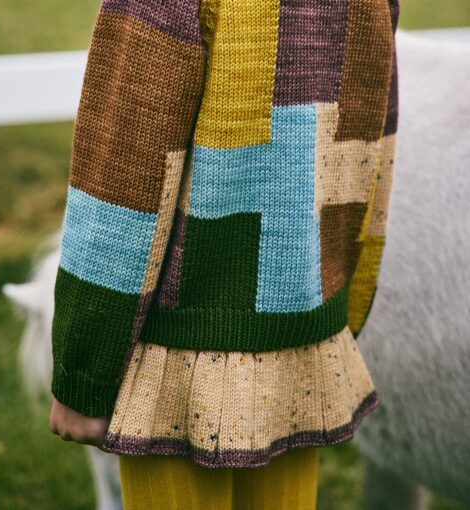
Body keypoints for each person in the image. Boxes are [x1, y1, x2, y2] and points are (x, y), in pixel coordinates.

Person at [49, 0, 400, 508]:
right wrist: (341, 312)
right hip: (302, 346)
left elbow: (125, 170)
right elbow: (373, 146)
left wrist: (83, 372)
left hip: (176, 363)